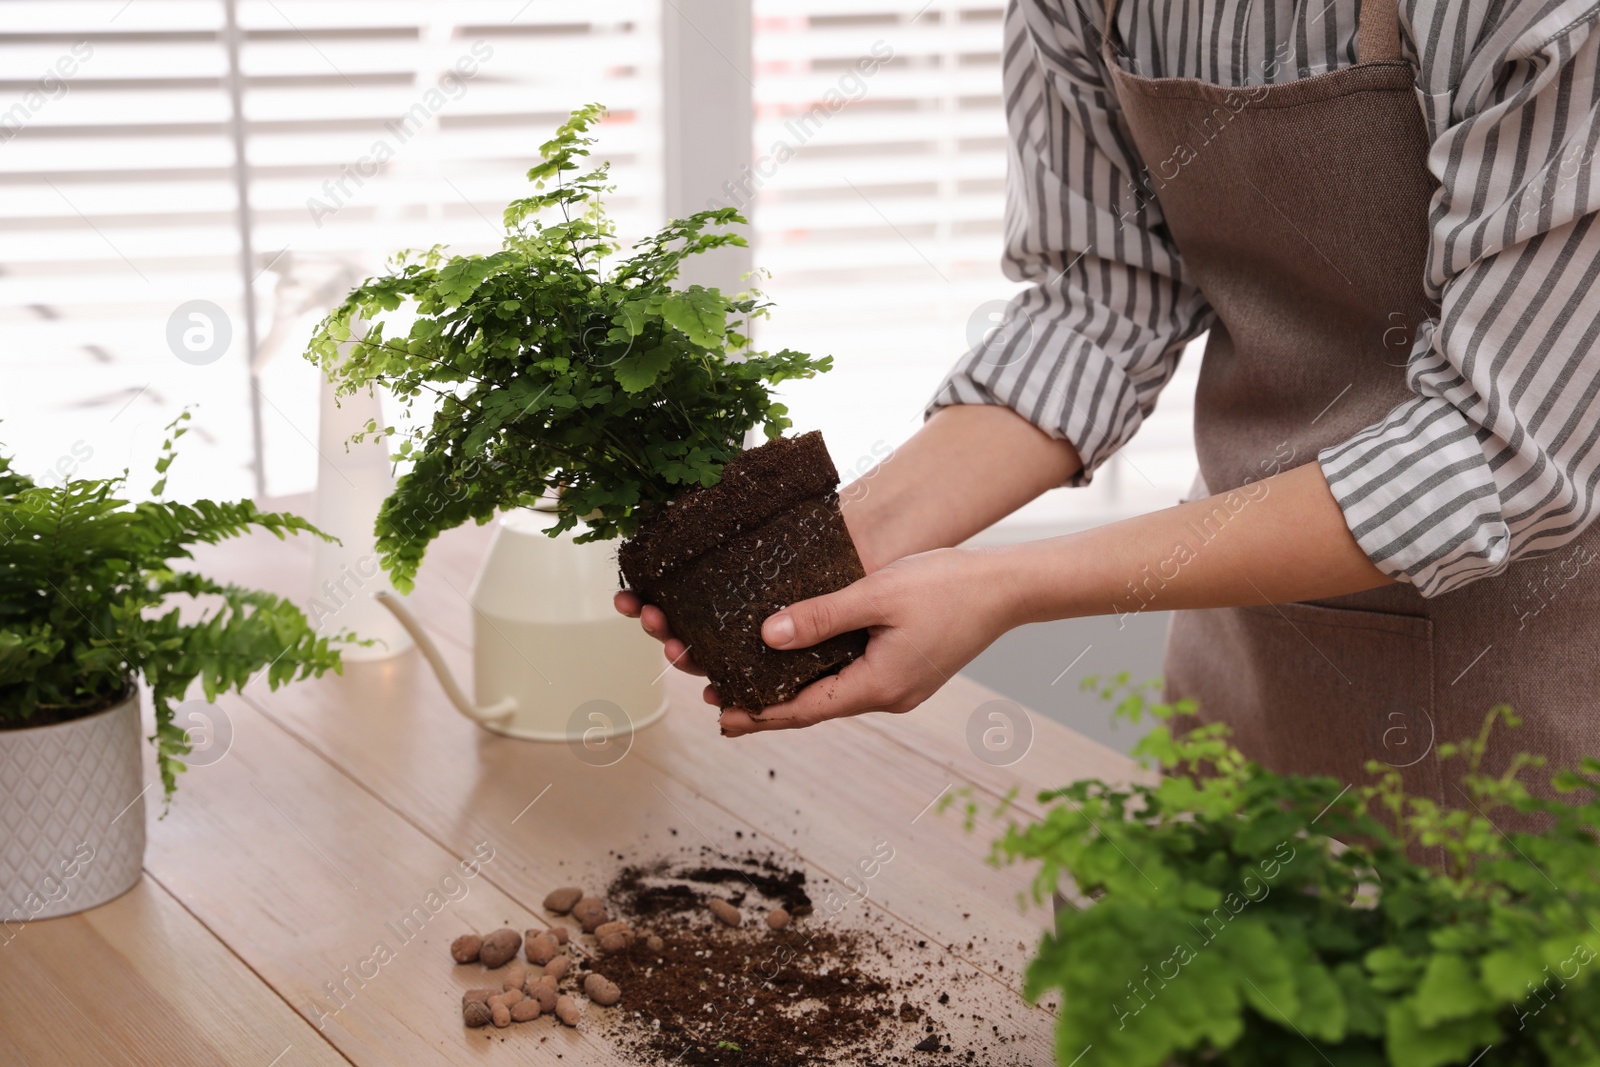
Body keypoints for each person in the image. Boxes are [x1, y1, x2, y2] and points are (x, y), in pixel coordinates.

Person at [617, 0, 1600, 798]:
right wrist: (847, 542)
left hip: (1528, 719)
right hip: (1249, 686)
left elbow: (1495, 443)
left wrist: (1005, 585)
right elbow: (1104, 297)